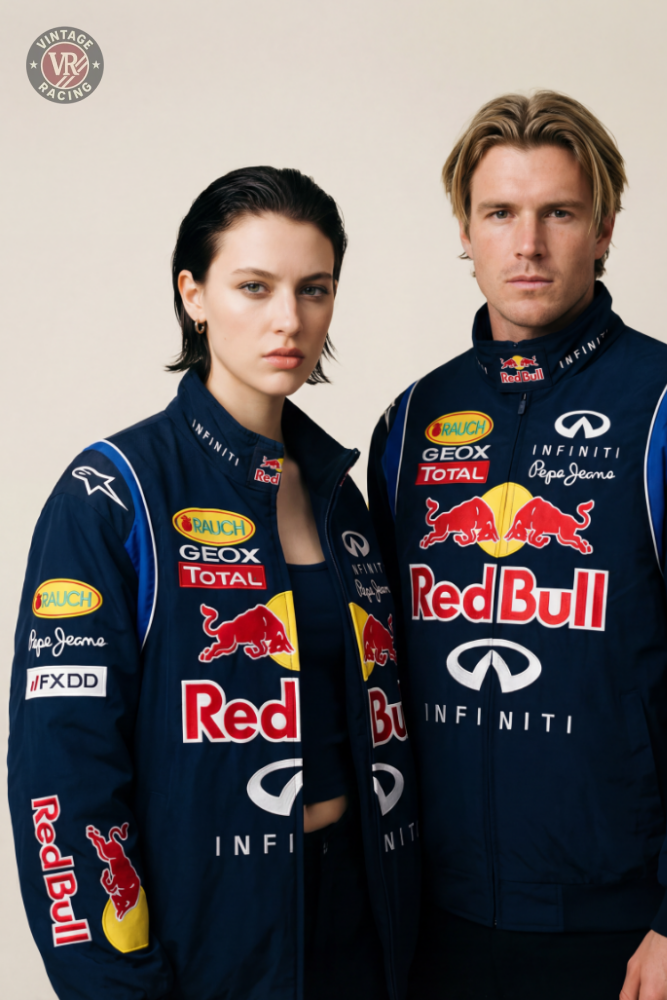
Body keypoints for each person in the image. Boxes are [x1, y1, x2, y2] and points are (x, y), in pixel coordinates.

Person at [367, 92, 667, 1000]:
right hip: (424, 920)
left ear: (602, 229)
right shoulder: (409, 424)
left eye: (557, 212)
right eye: (500, 214)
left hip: (619, 927)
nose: (527, 245)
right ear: (465, 230)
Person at [9, 166, 419, 1000]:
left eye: (314, 289)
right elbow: (64, 770)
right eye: (253, 287)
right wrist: (111, 983)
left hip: (363, 922)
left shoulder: (341, 495)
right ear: (192, 294)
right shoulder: (114, 490)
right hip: (210, 934)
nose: (288, 320)